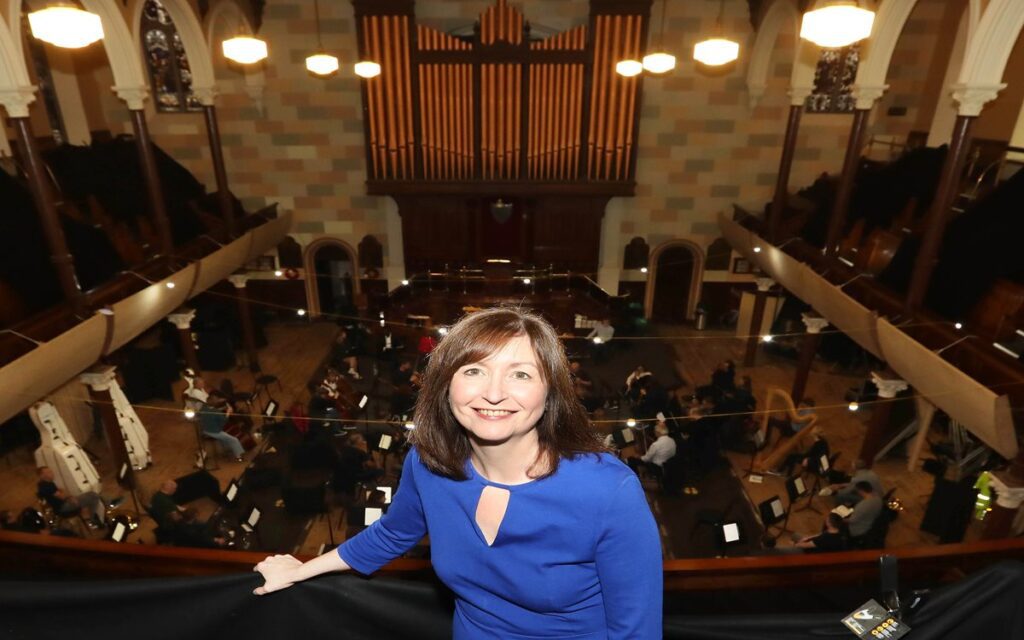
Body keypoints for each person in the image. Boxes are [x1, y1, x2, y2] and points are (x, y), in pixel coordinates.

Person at [255, 307, 662, 638]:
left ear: (551, 391)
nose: (494, 393)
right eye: (473, 370)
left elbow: (636, 632)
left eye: (520, 374)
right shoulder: (429, 461)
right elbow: (394, 532)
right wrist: (302, 569)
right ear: (446, 385)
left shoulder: (608, 491)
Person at [36, 466, 107, 527]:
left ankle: (95, 516)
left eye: (51, 471)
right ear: (42, 476)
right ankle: (94, 519)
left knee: (93, 495)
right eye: (48, 472)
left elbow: (61, 492)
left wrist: (67, 495)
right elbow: (62, 496)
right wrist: (69, 496)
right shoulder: (46, 486)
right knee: (93, 496)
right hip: (64, 507)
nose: (52, 473)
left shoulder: (46, 484)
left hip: (64, 504)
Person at [198, 393, 245, 461]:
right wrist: (228, 412)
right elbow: (224, 421)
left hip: (205, 430)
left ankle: (227, 450)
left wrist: (223, 409)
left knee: (225, 437)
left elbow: (213, 412)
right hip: (214, 432)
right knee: (234, 440)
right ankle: (239, 456)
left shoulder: (203, 408)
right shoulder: (216, 412)